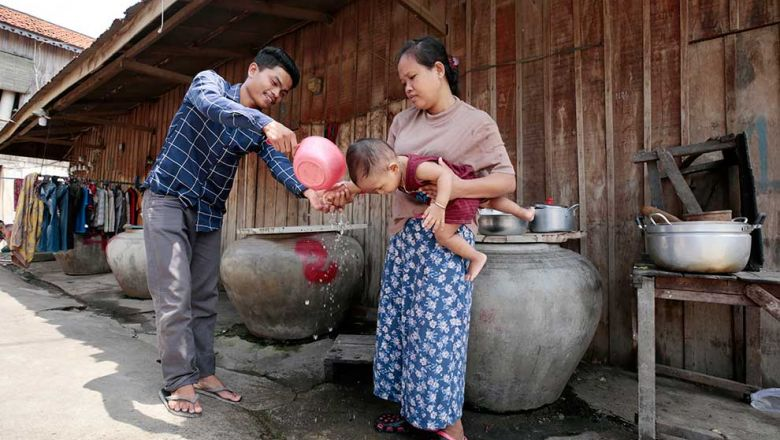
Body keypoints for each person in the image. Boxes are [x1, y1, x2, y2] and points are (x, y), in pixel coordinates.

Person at [325, 36, 517, 440]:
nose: (407, 87)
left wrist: (452, 190)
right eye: (403, 81)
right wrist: (350, 189)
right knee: (402, 330)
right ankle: (413, 413)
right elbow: (388, 173)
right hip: (405, 239)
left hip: (446, 240)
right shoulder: (402, 123)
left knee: (438, 335)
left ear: (439, 70)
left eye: (412, 77)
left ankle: (451, 427)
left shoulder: (476, 123)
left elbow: (506, 181)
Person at [143, 46, 331, 417]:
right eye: (274, 82)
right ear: (253, 69)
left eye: (283, 92)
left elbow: (279, 163)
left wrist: (310, 192)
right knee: (174, 294)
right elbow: (211, 105)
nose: (276, 94)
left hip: (209, 214)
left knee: (204, 299)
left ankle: (203, 374)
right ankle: (178, 381)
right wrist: (263, 122)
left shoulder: (257, 129)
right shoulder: (209, 83)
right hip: (167, 199)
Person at [342, 138, 534, 281]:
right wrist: (346, 188)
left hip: (454, 194)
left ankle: (476, 257)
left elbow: (444, 175)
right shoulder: (390, 172)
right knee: (488, 201)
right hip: (455, 191)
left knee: (443, 235)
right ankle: (524, 213)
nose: (380, 193)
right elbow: (366, 184)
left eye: (380, 188)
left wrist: (439, 206)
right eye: (374, 190)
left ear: (393, 169)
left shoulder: (416, 169)